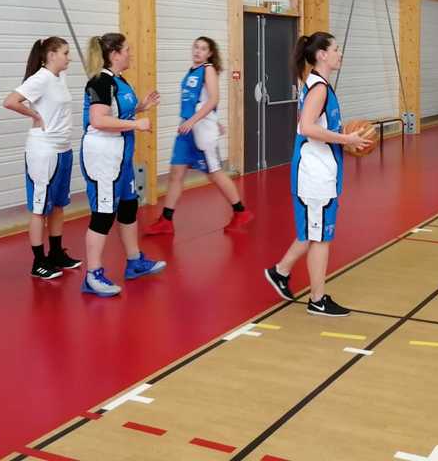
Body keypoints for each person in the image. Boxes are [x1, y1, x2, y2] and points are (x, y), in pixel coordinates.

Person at [263, 32, 370, 317]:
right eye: (335, 49)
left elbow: (319, 127)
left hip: (320, 170)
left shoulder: (317, 84)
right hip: (313, 173)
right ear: (322, 55)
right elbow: (308, 128)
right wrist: (345, 139)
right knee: (320, 237)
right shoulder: (319, 88)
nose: (339, 53)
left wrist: (345, 140)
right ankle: (316, 299)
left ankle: (281, 271)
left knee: (314, 233)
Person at [80, 33, 166, 297]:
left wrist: (141, 107)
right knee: (104, 215)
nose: (130, 53)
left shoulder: (119, 80)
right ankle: (92, 275)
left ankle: (134, 261)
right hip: (103, 157)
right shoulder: (100, 81)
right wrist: (136, 124)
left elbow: (116, 111)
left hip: (122, 157)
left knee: (129, 207)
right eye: (127, 49)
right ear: (115, 54)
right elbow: (98, 120)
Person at [146, 36, 252, 236]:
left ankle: (240, 211)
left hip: (198, 130)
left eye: (203, 48)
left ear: (209, 53)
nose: (198, 51)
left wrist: (197, 121)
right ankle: (166, 220)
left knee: (215, 173)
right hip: (186, 130)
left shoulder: (208, 69)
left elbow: (213, 99)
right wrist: (204, 120)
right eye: (196, 47)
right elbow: (200, 101)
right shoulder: (191, 71)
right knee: (176, 173)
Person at [2, 36, 81, 280]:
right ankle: (38, 262)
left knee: (58, 205)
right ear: (52, 55)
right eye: (65, 53)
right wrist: (34, 115)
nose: (69, 58)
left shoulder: (59, 77)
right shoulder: (41, 78)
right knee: (40, 208)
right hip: (43, 151)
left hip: (63, 149)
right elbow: (10, 101)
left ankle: (56, 253)